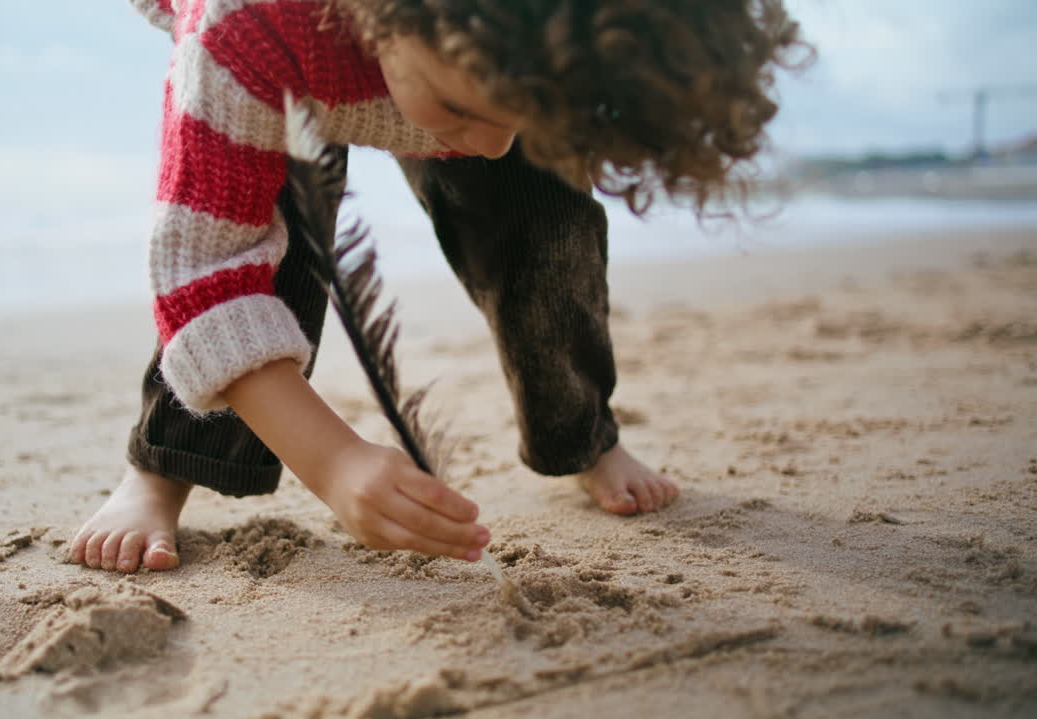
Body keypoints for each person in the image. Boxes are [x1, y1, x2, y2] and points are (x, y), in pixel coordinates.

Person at [68, 0, 807, 573]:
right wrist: (334, 462)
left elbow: (502, 123)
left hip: (472, 59)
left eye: (526, 119)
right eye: (464, 110)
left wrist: (508, 115)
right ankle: (162, 470)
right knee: (266, 244)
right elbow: (205, 271)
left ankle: (579, 434)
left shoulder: (546, 46)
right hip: (292, 66)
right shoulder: (243, 28)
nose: (491, 144)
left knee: (548, 229)